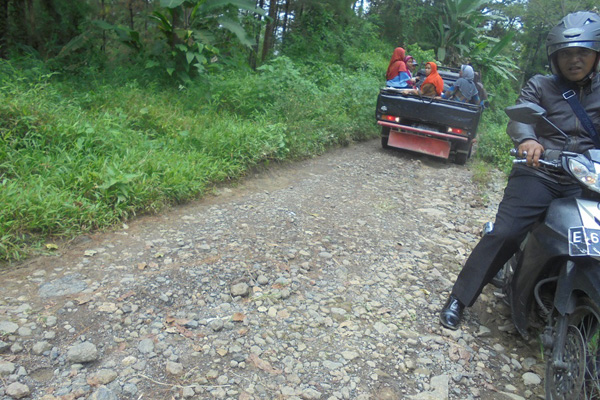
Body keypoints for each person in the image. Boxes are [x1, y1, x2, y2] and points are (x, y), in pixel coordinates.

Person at [439, 11, 600, 331]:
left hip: (588, 180)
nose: (574, 60)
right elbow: (520, 117)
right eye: (566, 53)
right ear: (554, 57)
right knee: (507, 232)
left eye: (582, 52)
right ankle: (459, 298)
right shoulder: (541, 85)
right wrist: (528, 139)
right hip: (541, 172)